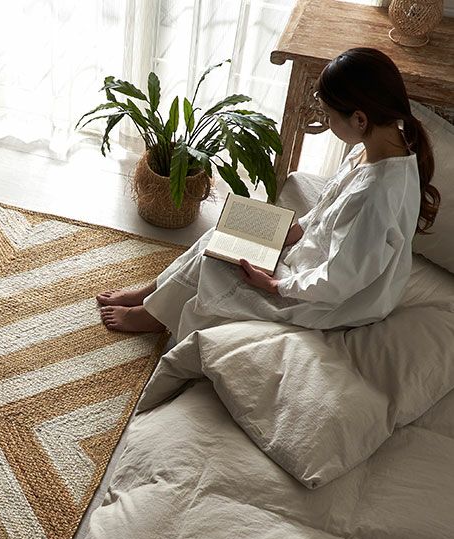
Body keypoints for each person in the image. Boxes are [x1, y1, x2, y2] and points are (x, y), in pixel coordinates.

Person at [96, 47, 440, 340]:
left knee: (215, 266)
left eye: (328, 116)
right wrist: (288, 231)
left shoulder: (376, 195)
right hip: (314, 258)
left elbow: (339, 280)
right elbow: (328, 209)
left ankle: (153, 317)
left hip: (328, 299)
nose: (327, 123)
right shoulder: (380, 147)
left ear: (360, 119)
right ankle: (152, 293)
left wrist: (275, 286)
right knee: (223, 232)